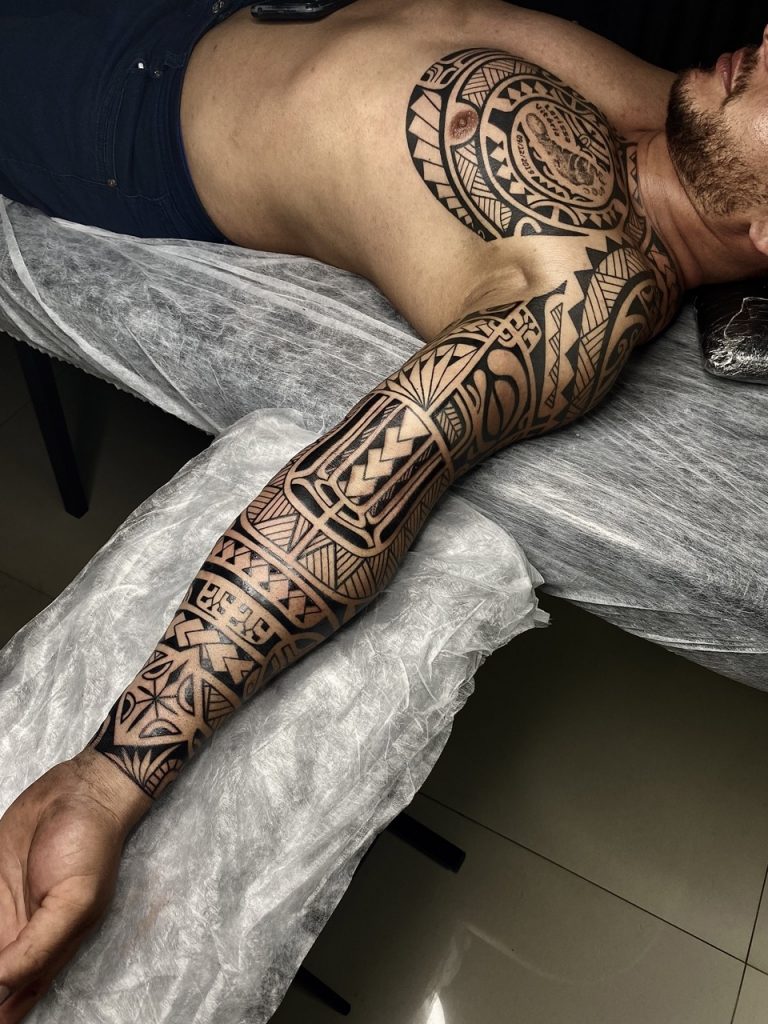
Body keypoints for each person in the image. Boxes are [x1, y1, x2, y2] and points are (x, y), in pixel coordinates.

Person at [0, 0, 766, 1018]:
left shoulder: (579, 305)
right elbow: (446, 15)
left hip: (122, 118)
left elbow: (349, 502)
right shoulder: (667, 114)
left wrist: (105, 783)